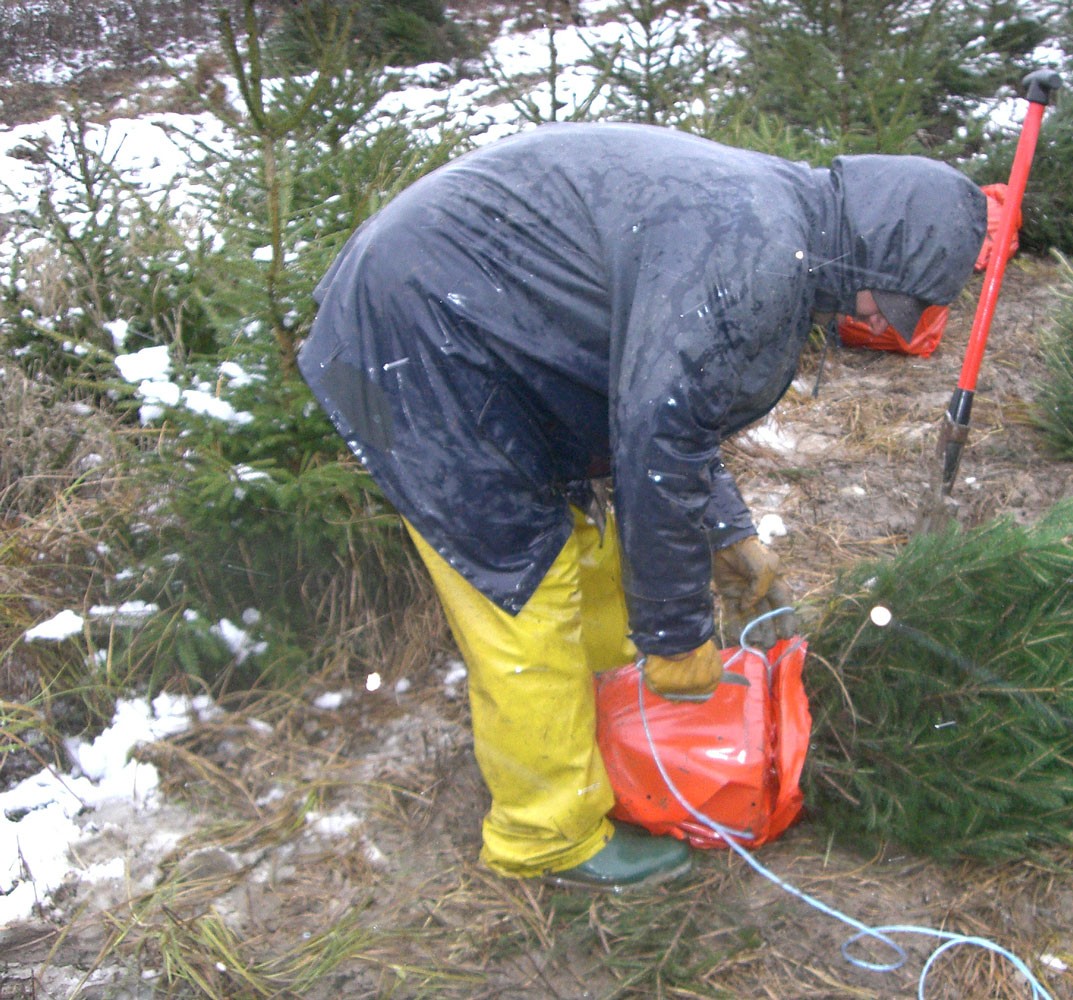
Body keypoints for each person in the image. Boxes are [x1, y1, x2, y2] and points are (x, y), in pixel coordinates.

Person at [299, 122, 986, 890]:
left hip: (484, 318)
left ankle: (608, 740)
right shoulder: (758, 254)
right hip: (426, 326)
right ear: (873, 255)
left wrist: (727, 532)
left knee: (585, 550)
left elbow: (671, 396)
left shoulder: (785, 217)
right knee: (521, 585)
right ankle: (547, 834)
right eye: (886, 301)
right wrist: (676, 639)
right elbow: (657, 435)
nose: (874, 317)